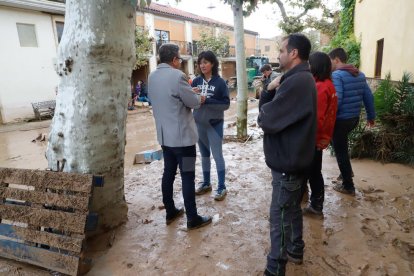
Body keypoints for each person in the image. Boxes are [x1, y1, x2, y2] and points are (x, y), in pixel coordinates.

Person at [258, 33, 316, 276]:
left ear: (293, 53)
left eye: (282, 50)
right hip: (292, 160)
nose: (278, 54)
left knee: (279, 216)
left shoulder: (297, 82)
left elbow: (266, 118)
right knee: (291, 209)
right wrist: (271, 89)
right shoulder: (295, 79)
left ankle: (275, 267)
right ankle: (295, 249)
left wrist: (268, 95)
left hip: (288, 163)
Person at [148, 43, 212, 230]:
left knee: (168, 173)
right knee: (188, 176)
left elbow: (169, 99)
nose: (180, 62)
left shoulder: (152, 76)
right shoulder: (177, 76)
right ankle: (193, 218)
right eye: (179, 59)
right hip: (183, 140)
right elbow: (192, 102)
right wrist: (199, 97)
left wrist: (190, 93)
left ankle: (170, 211)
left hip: (165, 139)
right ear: (174, 59)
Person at [328, 48, 376, 195]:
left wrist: (328, 118)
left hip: (341, 120)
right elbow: (368, 96)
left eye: (330, 61)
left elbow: (338, 99)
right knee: (339, 145)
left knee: (340, 150)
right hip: (353, 119)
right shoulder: (359, 74)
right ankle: (346, 172)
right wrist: (371, 116)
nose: (329, 64)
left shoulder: (337, 75)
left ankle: (348, 186)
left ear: (336, 59)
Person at [191, 51, 230, 201]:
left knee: (217, 155)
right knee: (204, 155)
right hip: (199, 124)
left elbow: (226, 105)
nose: (202, 65)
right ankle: (206, 183)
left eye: (206, 62)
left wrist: (206, 100)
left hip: (215, 125)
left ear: (213, 64)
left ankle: (221, 187)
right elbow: (191, 103)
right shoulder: (195, 82)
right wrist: (192, 96)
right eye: (200, 62)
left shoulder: (220, 83)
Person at [302, 52, 338, 216]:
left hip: (314, 138)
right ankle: (310, 199)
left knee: (313, 172)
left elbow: (316, 118)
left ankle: (316, 206)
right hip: (322, 136)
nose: (308, 66)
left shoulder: (320, 87)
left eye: (310, 64)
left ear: (316, 66)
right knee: (313, 171)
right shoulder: (328, 84)